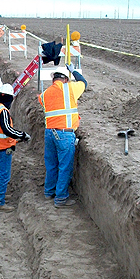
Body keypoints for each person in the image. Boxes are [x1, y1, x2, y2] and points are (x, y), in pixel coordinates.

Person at [38, 63, 87, 208]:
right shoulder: (70, 88)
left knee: (51, 164)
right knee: (64, 166)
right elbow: (84, 83)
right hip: (64, 134)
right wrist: (74, 71)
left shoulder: (45, 94)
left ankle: (49, 192)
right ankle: (60, 198)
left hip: (49, 133)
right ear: (66, 79)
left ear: (54, 79)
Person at [0, 83, 31, 212]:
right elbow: (8, 130)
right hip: (3, 147)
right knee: (4, 175)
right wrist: (22, 135)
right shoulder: (3, 111)